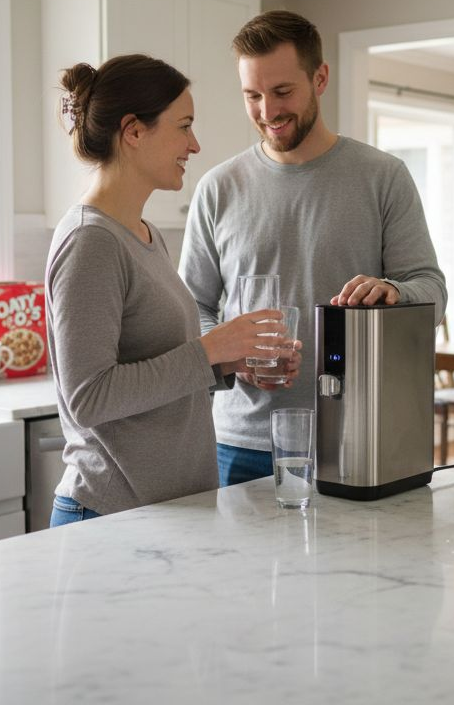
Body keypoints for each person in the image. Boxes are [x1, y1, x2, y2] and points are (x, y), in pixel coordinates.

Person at [179, 10, 447, 487]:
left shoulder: (383, 177)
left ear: (320, 78)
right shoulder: (217, 187)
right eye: (253, 95)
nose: (268, 111)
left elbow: (432, 291)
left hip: (355, 438)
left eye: (282, 92)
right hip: (240, 443)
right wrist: (233, 358)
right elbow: (191, 309)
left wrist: (390, 292)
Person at [46, 54, 290, 526]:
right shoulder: (89, 241)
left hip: (167, 512)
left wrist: (227, 363)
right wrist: (208, 351)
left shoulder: (142, 232)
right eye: (183, 126)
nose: (195, 144)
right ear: (134, 131)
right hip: (109, 515)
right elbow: (89, 397)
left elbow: (159, 363)